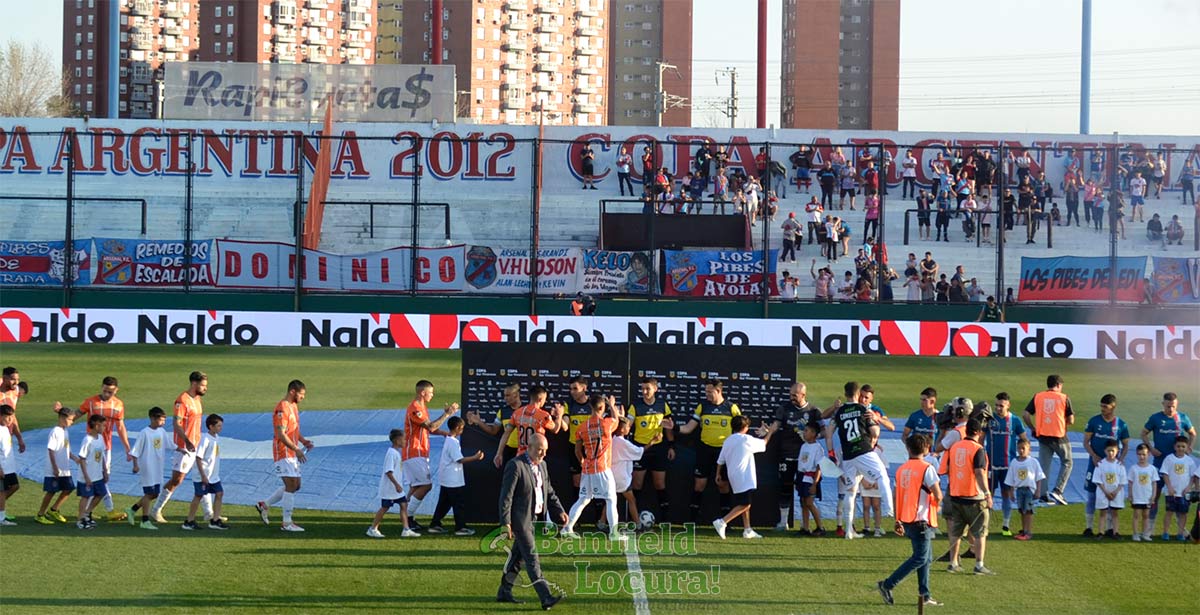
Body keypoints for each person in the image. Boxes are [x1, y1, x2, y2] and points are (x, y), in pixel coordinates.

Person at [496, 432, 567, 609]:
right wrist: (506, 523)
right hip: (521, 521)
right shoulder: (515, 465)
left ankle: (504, 591)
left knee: (517, 559)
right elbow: (506, 497)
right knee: (532, 558)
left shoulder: (542, 465)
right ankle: (546, 597)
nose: (543, 453)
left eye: (545, 450)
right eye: (540, 450)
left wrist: (559, 510)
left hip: (534, 519)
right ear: (529, 448)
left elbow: (549, 491)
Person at [876, 434, 943, 608]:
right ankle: (887, 584)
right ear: (926, 449)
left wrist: (897, 520)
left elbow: (897, 495)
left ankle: (924, 594)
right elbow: (938, 493)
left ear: (908, 448)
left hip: (907, 518)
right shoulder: (926, 468)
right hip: (921, 518)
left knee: (926, 558)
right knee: (920, 558)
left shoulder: (902, 469)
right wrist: (937, 504)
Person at [828, 381, 892, 539]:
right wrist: (875, 424)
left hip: (848, 455)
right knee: (882, 474)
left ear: (845, 394)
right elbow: (874, 432)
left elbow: (829, 433)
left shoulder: (839, 412)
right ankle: (889, 509)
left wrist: (831, 452)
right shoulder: (863, 409)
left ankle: (849, 530)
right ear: (857, 394)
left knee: (851, 492)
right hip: (863, 450)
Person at [398, 380, 458, 530]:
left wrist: (445, 434)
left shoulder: (422, 407)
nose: (433, 395)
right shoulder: (416, 408)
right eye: (431, 392)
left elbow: (429, 428)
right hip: (414, 451)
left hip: (417, 452)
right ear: (423, 393)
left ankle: (407, 518)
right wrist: (447, 414)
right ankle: (408, 517)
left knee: (415, 487)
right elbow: (430, 426)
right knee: (426, 485)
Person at [562, 395, 624, 541]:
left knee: (583, 499)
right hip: (602, 468)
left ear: (590, 407)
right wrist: (612, 405)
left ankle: (567, 528)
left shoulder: (582, 427)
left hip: (587, 468)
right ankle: (614, 533)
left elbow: (577, 450)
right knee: (611, 500)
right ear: (602, 408)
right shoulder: (607, 424)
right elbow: (617, 419)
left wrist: (583, 462)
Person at [678, 380, 742, 523]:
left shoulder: (731, 407)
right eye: (705, 391)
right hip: (705, 450)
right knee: (699, 484)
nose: (707, 395)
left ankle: (726, 522)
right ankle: (692, 521)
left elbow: (741, 429)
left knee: (723, 485)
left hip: (724, 452)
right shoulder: (702, 406)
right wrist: (674, 428)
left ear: (719, 391)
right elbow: (689, 428)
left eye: (710, 392)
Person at [255, 380, 314, 532]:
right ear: (293, 392)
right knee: (291, 485)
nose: (303, 398)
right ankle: (287, 523)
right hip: (283, 452)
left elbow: (293, 429)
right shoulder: (281, 408)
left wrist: (303, 441)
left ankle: (264, 505)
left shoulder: (293, 406)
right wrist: (297, 448)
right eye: (301, 394)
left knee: (296, 485)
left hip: (291, 452)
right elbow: (281, 434)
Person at [939, 419, 995, 575]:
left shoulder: (955, 447)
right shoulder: (978, 449)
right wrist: (987, 493)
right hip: (974, 498)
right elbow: (979, 473)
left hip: (956, 495)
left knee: (955, 533)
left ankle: (953, 562)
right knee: (980, 532)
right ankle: (979, 565)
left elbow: (949, 467)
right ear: (978, 432)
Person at [151, 371, 207, 523]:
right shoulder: (182, 401)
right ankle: (156, 509)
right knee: (177, 480)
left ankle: (210, 514)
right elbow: (177, 424)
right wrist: (187, 441)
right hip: (184, 447)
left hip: (195, 445)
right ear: (194, 384)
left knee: (203, 476)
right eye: (202, 385)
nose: (205, 389)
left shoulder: (196, 399)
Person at [77, 376, 130, 522]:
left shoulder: (118, 405)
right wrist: (62, 415)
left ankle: (89, 512)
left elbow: (121, 427)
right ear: (101, 387)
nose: (107, 394)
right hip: (91, 447)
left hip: (106, 447)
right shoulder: (91, 402)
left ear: (116, 390)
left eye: (111, 392)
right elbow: (76, 414)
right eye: (105, 391)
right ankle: (102, 511)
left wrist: (127, 448)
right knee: (94, 480)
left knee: (102, 479)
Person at [713, 415, 775, 539]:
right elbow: (763, 444)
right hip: (744, 475)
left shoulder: (729, 440)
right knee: (745, 504)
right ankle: (722, 522)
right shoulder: (746, 439)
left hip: (734, 475)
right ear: (745, 427)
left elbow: (720, 460)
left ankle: (747, 530)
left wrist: (718, 474)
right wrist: (771, 432)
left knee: (744, 502)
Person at [768, 382, 820, 531]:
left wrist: (811, 438)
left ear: (803, 395)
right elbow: (776, 425)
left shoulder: (813, 411)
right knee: (785, 487)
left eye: (794, 395)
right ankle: (783, 522)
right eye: (790, 395)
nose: (791, 398)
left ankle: (807, 525)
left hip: (806, 460)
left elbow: (823, 431)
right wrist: (768, 433)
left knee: (805, 493)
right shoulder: (784, 409)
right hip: (787, 455)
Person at [1140, 392, 1195, 531]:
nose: (1171, 409)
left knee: (1178, 495)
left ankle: (1180, 529)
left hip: (1178, 466)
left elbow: (1193, 433)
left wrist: (1190, 447)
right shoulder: (1156, 418)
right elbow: (1143, 433)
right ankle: (1149, 528)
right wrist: (1151, 448)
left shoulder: (1182, 418)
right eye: (1168, 406)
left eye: (1173, 406)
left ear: (1177, 405)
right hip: (1160, 462)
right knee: (1155, 494)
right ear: (1163, 404)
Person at [1082, 394, 1130, 537]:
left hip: (1113, 467)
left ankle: (1110, 529)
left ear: (1113, 407)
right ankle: (1089, 527)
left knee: (1112, 495)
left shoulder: (1121, 424)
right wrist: (1094, 456)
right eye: (1101, 406)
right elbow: (1086, 441)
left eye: (1105, 406)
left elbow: (1126, 444)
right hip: (1095, 465)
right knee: (1091, 495)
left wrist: (1121, 458)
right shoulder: (1094, 421)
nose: (1102, 409)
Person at [627, 377, 674, 525]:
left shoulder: (663, 405)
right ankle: (634, 520)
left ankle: (665, 521)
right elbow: (627, 426)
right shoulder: (635, 406)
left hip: (659, 448)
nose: (645, 392)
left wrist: (671, 445)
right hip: (640, 449)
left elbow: (668, 426)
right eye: (643, 389)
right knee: (637, 484)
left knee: (660, 484)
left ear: (655, 389)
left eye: (648, 389)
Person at [1022, 374, 1074, 506]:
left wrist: (1033, 428)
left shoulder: (1038, 396)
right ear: (1058, 385)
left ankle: (1043, 494)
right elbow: (1071, 420)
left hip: (1043, 435)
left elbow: (1026, 414)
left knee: (1044, 466)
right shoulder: (1064, 398)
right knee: (1067, 462)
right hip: (1059, 436)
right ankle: (1058, 490)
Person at [428, 416, 485, 536]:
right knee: (458, 503)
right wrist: (475, 457)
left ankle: (435, 524)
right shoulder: (453, 442)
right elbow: (459, 459)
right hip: (453, 479)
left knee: (444, 503)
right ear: (458, 428)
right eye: (462, 428)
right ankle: (460, 527)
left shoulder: (449, 439)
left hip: (447, 478)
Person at [986, 393, 1027, 537]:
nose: (998, 408)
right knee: (988, 494)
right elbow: (979, 438)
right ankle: (985, 524)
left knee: (1006, 494)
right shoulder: (989, 420)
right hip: (990, 465)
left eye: (1001, 405)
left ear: (1008, 405)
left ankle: (1005, 525)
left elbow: (1024, 439)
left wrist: (1023, 457)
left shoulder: (1015, 420)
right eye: (996, 405)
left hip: (1007, 466)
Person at [495, 385, 565, 467]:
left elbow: (506, 434)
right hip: (535, 457)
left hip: (520, 456)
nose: (545, 402)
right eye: (545, 399)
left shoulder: (517, 412)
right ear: (540, 399)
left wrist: (499, 453)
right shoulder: (543, 415)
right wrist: (559, 415)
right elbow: (556, 429)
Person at [367, 429, 419, 539]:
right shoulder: (391, 454)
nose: (405, 441)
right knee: (385, 508)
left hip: (397, 490)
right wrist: (397, 485)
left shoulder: (395, 453)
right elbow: (388, 471)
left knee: (403, 505)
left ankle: (406, 529)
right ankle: (373, 528)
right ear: (397, 440)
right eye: (403, 439)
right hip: (390, 489)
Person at [126, 406, 168, 530]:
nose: (163, 422)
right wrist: (135, 465)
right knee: (149, 493)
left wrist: (181, 449)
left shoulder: (162, 432)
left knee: (154, 493)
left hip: (158, 467)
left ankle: (132, 509)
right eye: (161, 420)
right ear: (153, 418)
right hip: (148, 467)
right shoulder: (144, 432)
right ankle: (145, 520)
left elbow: (170, 444)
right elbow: (135, 451)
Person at [611, 417, 655, 530]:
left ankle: (601, 522)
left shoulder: (612, 440)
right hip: (621, 477)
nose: (629, 428)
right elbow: (639, 451)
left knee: (610, 500)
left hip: (611, 476)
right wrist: (652, 442)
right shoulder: (623, 443)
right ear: (621, 429)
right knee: (631, 500)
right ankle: (638, 524)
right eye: (627, 426)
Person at [184, 414, 227, 531]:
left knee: (219, 494)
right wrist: (203, 475)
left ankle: (215, 520)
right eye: (218, 426)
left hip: (213, 475)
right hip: (203, 475)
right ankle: (189, 521)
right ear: (211, 426)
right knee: (198, 496)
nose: (220, 428)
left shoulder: (216, 437)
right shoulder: (205, 439)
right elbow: (198, 458)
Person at [470, 383, 523, 468]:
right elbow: (493, 431)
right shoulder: (502, 412)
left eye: (508, 395)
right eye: (504, 396)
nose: (505, 398)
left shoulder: (527, 410)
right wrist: (479, 422)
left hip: (525, 450)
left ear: (516, 395)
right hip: (508, 451)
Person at [1003, 438, 1044, 540]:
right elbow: (1011, 478)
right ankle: (1023, 530)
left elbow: (1039, 477)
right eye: (1019, 448)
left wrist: (1038, 490)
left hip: (1029, 489)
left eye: (1023, 448)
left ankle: (1028, 531)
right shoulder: (1014, 462)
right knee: (1022, 510)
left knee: (1028, 511)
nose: (1021, 451)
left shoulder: (1033, 461)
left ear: (1029, 449)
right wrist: (1011, 492)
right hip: (1019, 489)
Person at [1157, 436, 1196, 541]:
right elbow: (1165, 473)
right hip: (1172, 492)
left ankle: (1180, 533)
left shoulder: (1189, 461)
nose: (1180, 448)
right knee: (1169, 512)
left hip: (1184, 493)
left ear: (1187, 447)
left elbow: (1193, 476)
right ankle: (1165, 532)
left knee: (1183, 513)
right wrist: (1169, 487)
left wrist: (1189, 487)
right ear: (1174, 447)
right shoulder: (1169, 458)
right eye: (1178, 446)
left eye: (1183, 446)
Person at [73, 414, 108, 530]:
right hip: (87, 475)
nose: (104, 428)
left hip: (97, 474)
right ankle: (80, 519)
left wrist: (105, 471)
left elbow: (102, 455)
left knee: (101, 493)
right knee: (85, 497)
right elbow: (82, 459)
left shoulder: (100, 438)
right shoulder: (87, 440)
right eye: (103, 426)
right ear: (96, 426)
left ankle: (87, 514)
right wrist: (86, 477)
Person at [1092, 441, 1127, 539]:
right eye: (1108, 451)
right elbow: (1098, 480)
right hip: (1103, 493)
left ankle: (1115, 532)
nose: (1110, 453)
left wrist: (1115, 492)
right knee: (1102, 513)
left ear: (1117, 451)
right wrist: (1106, 492)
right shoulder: (1101, 464)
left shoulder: (1120, 465)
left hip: (1116, 493)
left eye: (1113, 451)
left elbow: (1122, 482)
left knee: (1115, 513)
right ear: (1105, 451)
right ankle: (1101, 532)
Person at [1128, 443, 1157, 541]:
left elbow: (1154, 484)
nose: (1141, 457)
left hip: (1147, 497)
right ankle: (1135, 533)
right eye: (1139, 454)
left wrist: (1153, 496)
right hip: (1137, 497)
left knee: (1146, 515)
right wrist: (1130, 495)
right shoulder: (1133, 468)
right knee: (1136, 515)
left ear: (1148, 454)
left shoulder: (1152, 469)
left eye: (1144, 454)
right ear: (1136, 454)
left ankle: (1145, 534)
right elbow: (1130, 483)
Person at [0, 367, 25, 455]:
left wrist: (20, 438)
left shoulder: (15, 391)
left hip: (6, 435)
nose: (16, 382)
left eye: (18, 379)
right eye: (13, 379)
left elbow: (12, 416)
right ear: (4, 378)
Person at [0, 405, 16, 525]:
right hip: (2, 467)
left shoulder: (5, 428)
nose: (10, 419)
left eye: (11, 417)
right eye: (7, 417)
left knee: (15, 486)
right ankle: (1, 518)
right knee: (1, 492)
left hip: (9, 467)